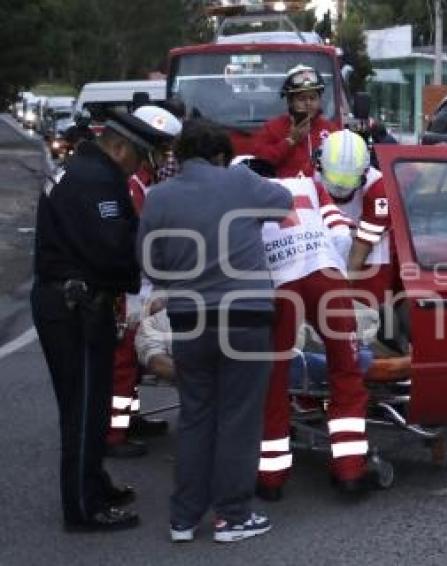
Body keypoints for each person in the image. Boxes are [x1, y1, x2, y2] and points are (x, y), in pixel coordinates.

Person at [138, 119, 292, 543]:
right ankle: (232, 516)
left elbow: (150, 264)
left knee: (195, 417)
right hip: (244, 321)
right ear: (221, 155)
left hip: (189, 323)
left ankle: (183, 519)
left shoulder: (159, 198)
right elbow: (283, 202)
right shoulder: (239, 181)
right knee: (238, 419)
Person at [31, 111, 173, 532]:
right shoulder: (97, 181)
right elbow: (113, 250)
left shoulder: (84, 169)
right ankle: (83, 507)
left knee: (91, 407)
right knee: (83, 410)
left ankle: (94, 481)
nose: (140, 168)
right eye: (140, 158)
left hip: (71, 301)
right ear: (119, 148)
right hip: (75, 307)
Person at [235, 157, 370, 501]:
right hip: (326, 275)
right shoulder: (308, 184)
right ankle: (350, 472)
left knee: (274, 379)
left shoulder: (239, 198)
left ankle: (271, 477)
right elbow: (341, 233)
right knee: (347, 374)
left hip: (280, 284)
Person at [107, 105, 182, 458]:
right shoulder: (133, 186)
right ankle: (114, 434)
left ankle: (129, 418)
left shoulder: (143, 183)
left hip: (139, 285)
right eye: (164, 149)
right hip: (131, 289)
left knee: (129, 363)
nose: (166, 157)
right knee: (123, 361)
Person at [320, 130, 395, 305]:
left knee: (366, 313)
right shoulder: (308, 178)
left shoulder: (379, 189)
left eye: (348, 180)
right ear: (319, 164)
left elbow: (360, 250)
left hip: (369, 258)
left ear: (364, 172)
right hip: (327, 249)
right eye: (334, 177)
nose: (339, 186)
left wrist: (340, 294)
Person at [252, 64, 338, 178]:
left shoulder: (331, 130)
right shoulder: (272, 129)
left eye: (312, 98)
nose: (308, 103)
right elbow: (259, 163)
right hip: (286, 194)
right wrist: (290, 141)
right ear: (290, 101)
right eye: (301, 98)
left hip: (321, 194)